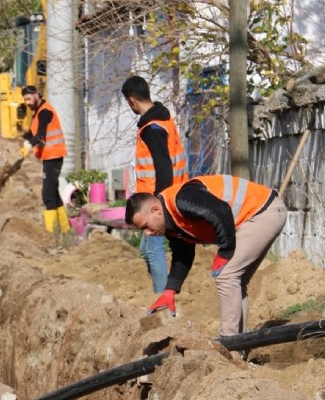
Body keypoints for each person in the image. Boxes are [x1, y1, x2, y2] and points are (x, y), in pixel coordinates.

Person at [125, 174, 287, 337]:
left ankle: (228, 342)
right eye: (142, 230)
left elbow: (221, 210)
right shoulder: (169, 223)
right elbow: (183, 254)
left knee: (227, 275)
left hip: (263, 212)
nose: (147, 234)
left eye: (146, 226)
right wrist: (170, 291)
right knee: (236, 280)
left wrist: (225, 251)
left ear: (156, 211)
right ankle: (240, 346)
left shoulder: (183, 200)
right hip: (257, 215)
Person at [121, 76, 188, 293]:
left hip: (156, 203)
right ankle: (165, 294)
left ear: (132, 101)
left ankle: (163, 300)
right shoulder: (164, 121)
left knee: (154, 251)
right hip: (170, 196)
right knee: (146, 250)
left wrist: (156, 205)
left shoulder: (152, 128)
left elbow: (164, 169)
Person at [19, 85, 70, 235]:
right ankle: (65, 231)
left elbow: (41, 137)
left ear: (37, 95)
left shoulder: (44, 112)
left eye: (29, 98)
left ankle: (52, 233)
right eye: (25, 100)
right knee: (53, 193)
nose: (27, 102)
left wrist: (30, 144)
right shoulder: (39, 112)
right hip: (51, 156)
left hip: (53, 156)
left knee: (47, 195)